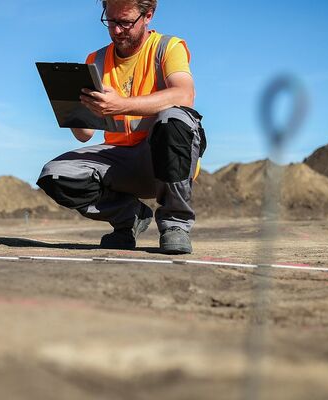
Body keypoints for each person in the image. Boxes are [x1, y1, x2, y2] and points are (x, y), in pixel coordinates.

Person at [37, 0, 207, 254]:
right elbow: (84, 136)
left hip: (162, 160)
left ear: (148, 15)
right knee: (55, 174)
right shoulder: (96, 60)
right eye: (111, 21)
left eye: (125, 22)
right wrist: (71, 108)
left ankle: (175, 224)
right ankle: (130, 218)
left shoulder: (168, 48)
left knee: (174, 119)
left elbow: (185, 95)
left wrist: (121, 105)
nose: (116, 30)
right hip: (119, 162)